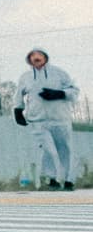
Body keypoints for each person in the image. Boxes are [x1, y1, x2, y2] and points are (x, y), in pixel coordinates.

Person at [17, 49, 78, 189]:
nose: (36, 58)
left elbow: (74, 91)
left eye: (39, 55)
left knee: (64, 149)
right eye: (32, 56)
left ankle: (69, 180)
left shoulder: (59, 73)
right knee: (48, 149)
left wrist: (59, 94)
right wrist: (18, 110)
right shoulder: (26, 77)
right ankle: (52, 178)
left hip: (60, 119)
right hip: (38, 120)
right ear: (29, 59)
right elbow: (18, 95)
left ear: (45, 57)